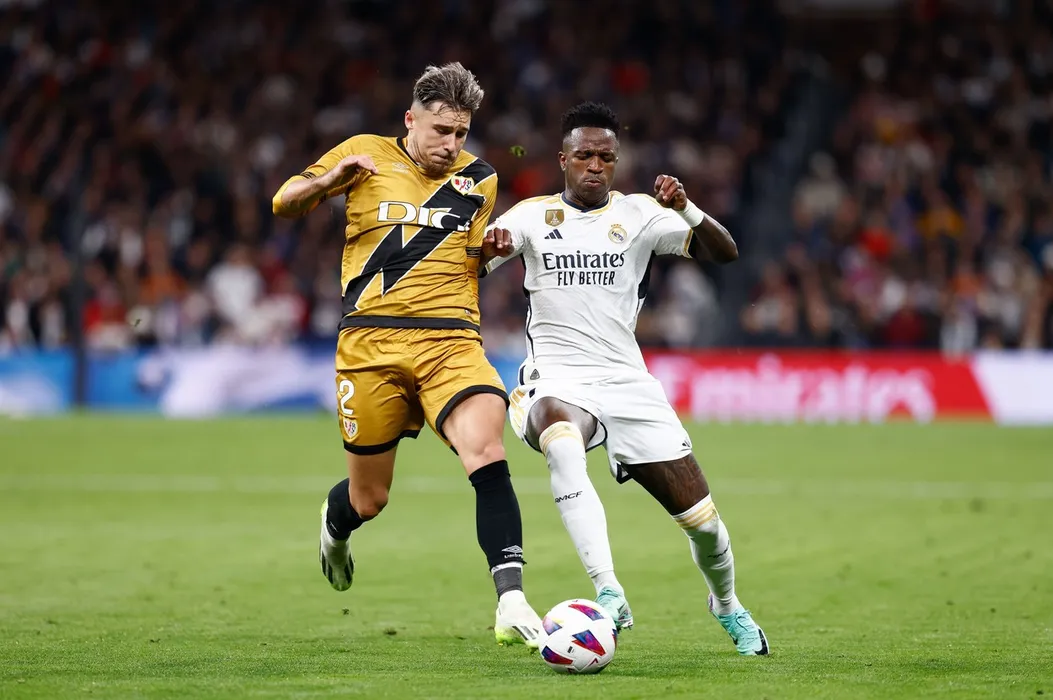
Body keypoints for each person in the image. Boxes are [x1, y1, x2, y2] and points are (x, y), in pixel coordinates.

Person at [481, 102, 768, 655]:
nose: (595, 165)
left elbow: (726, 253)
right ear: (563, 159)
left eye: (606, 157)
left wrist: (686, 209)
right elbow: (473, 266)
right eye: (584, 155)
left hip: (628, 383)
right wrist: (482, 254)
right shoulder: (530, 217)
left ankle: (727, 604)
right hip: (557, 377)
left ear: (616, 162)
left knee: (703, 523)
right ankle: (609, 591)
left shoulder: (640, 214)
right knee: (560, 441)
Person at [272, 63, 542, 648]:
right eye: (441, 130)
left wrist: (493, 250)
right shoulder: (364, 154)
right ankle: (335, 527)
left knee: (487, 449)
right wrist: (327, 181)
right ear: (410, 120)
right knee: (369, 499)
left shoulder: (481, 179)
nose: (451, 144)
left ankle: (512, 599)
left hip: (450, 341)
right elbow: (283, 202)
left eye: (461, 133)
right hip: (370, 344)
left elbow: (470, 262)